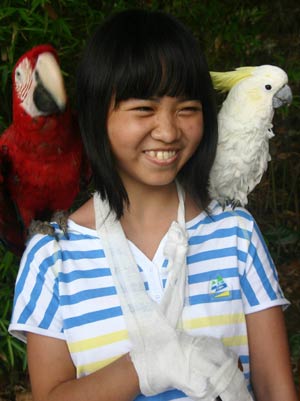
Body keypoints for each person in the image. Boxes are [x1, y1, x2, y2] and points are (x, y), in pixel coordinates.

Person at [9, 8, 298, 401]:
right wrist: (156, 363)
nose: (167, 131)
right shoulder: (52, 257)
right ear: (97, 117)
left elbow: (275, 389)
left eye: (187, 109)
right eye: (143, 109)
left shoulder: (237, 235)